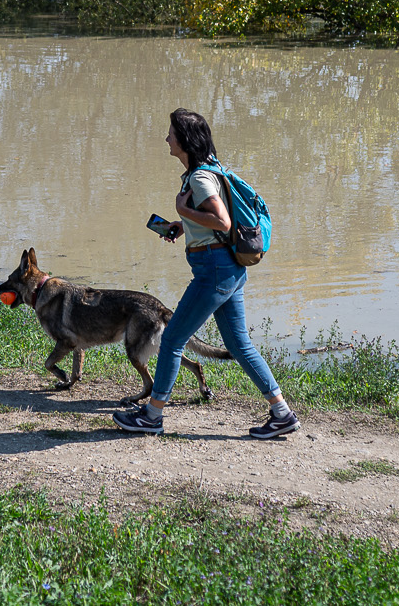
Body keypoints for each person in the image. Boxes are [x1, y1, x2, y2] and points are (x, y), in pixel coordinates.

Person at [113, 108, 300, 439]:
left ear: (184, 140)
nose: (166, 138)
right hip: (227, 267)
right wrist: (181, 225)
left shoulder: (199, 178)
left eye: (171, 133)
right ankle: (282, 413)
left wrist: (182, 210)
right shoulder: (208, 170)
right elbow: (212, 221)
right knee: (239, 344)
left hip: (213, 271)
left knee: (171, 339)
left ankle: (152, 417)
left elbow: (223, 222)